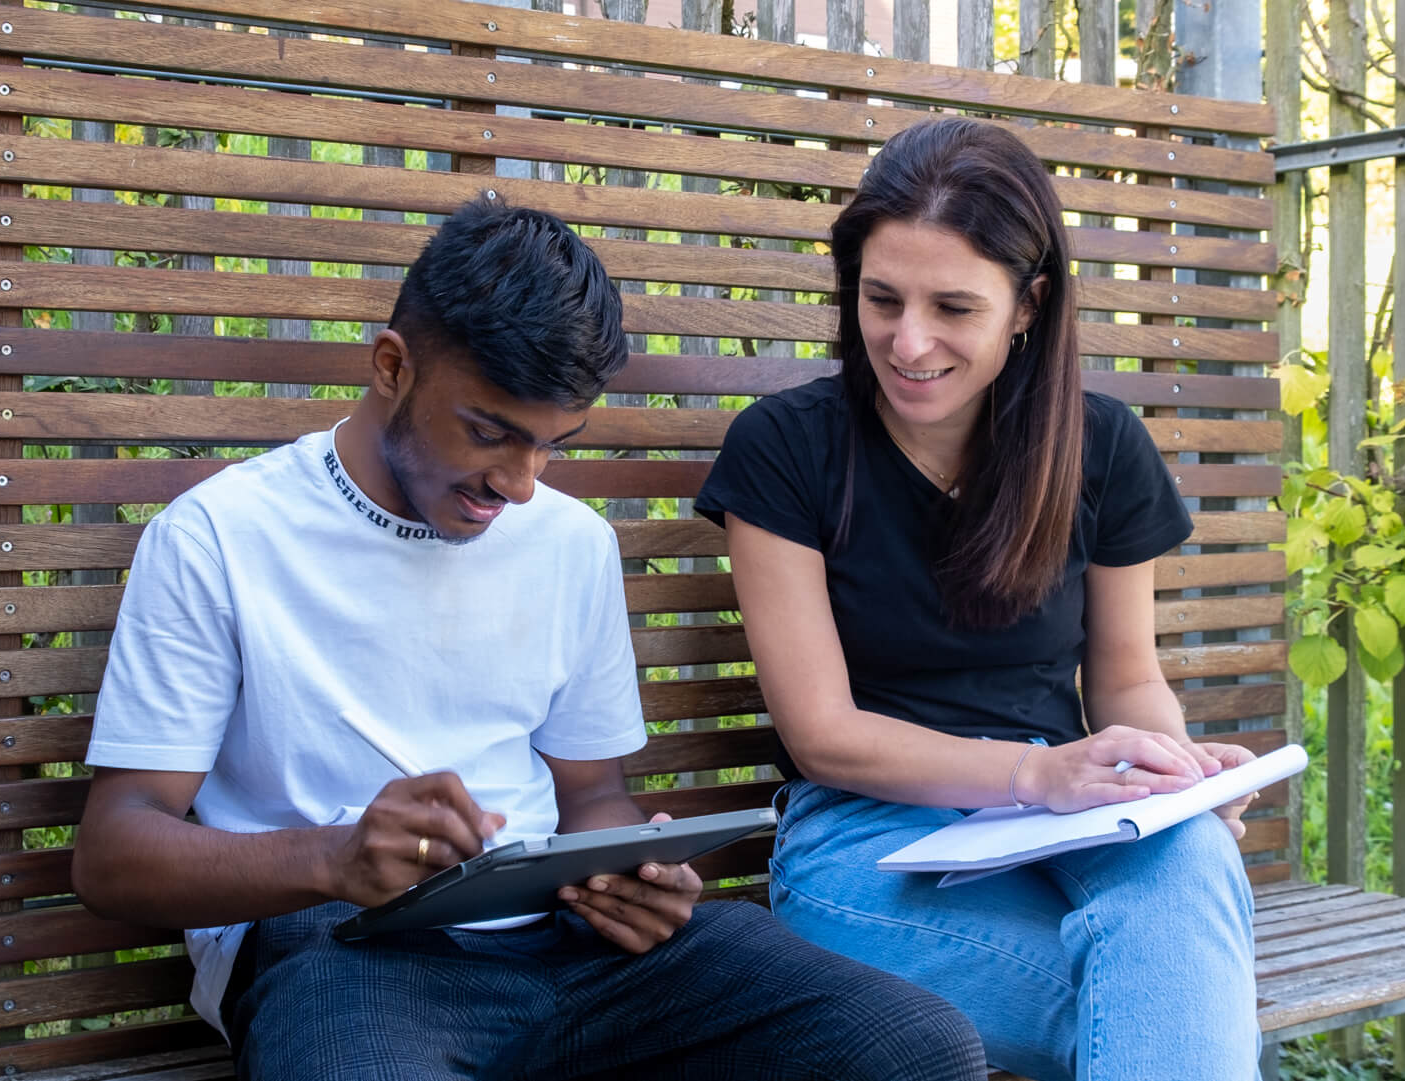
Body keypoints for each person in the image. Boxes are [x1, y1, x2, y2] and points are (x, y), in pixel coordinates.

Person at [72, 199, 987, 1081]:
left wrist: (634, 872)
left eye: (552, 444)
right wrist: (332, 857)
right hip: (349, 951)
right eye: (490, 433)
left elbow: (593, 799)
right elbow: (113, 854)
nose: (517, 483)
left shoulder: (568, 541)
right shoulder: (221, 537)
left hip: (574, 950)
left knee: (912, 1047)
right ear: (392, 367)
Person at [693, 118, 1262, 1081]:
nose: (908, 342)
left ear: (1029, 304)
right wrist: (1038, 774)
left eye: (953, 306)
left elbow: (1126, 680)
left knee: (1193, 859)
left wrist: (1171, 773)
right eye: (882, 299)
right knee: (1162, 1009)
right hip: (865, 841)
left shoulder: (1101, 447)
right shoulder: (786, 450)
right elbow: (824, 733)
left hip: (1073, 820)